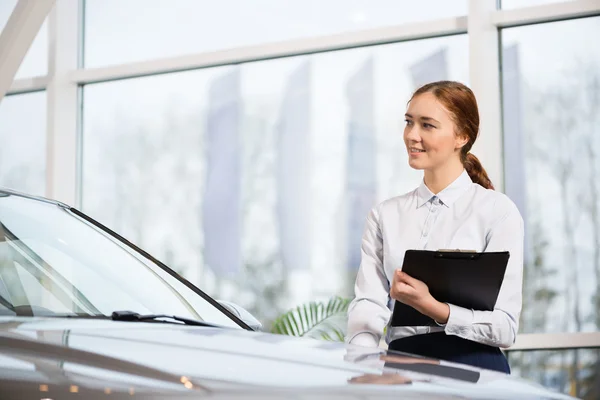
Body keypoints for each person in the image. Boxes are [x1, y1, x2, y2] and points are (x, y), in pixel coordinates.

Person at [345, 80, 524, 373]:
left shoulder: (497, 211)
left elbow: (505, 328)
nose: (412, 135)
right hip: (399, 372)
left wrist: (434, 308)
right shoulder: (384, 215)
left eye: (427, 125)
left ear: (462, 136)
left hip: (477, 372)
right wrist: (361, 366)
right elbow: (368, 304)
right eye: (409, 122)